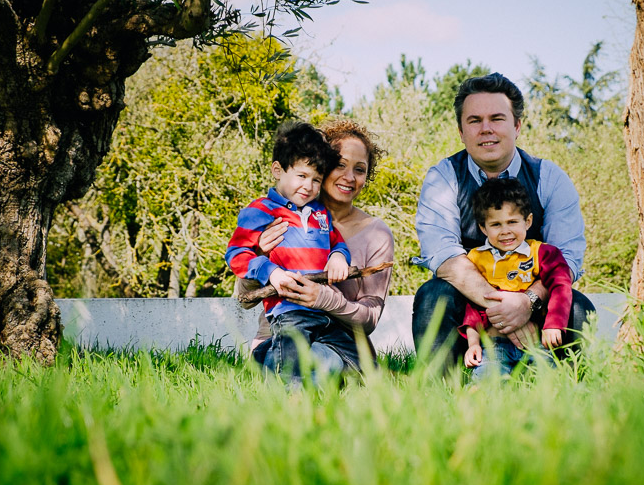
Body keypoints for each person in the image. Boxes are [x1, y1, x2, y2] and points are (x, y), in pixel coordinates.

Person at [413, 72, 594, 365]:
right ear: (461, 131)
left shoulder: (549, 178)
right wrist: (505, 310)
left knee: (579, 308)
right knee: (433, 295)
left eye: (497, 118)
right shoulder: (443, 177)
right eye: (474, 121)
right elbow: (443, 257)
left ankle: (573, 391)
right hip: (470, 303)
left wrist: (527, 303)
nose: (486, 129)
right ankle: (444, 393)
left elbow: (568, 257)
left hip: (535, 298)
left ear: (517, 125)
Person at [238, 119, 394, 377]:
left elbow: (370, 319)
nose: (349, 177)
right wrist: (260, 253)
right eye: (340, 165)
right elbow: (244, 298)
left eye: (360, 169)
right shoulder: (277, 215)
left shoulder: (376, 233)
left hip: (337, 343)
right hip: (280, 336)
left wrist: (325, 299)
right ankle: (275, 372)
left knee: (321, 362)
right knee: (294, 362)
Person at [226, 121, 353, 381]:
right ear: (277, 170)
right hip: (288, 309)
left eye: (316, 180)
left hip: (322, 311)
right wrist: (272, 273)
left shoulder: (320, 213)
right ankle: (288, 389)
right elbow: (236, 254)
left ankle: (277, 362)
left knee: (354, 356)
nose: (308, 186)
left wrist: (339, 256)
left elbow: (337, 242)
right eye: (302, 176)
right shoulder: (261, 210)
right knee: (291, 356)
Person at [460, 177, 572, 378]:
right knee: (487, 385)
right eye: (496, 224)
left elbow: (560, 284)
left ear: (527, 221)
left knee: (551, 384)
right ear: (483, 228)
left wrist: (554, 323)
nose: (505, 231)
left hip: (535, 341)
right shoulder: (476, 259)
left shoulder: (542, 252)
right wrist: (473, 343)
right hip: (494, 345)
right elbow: (473, 307)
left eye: (512, 222)